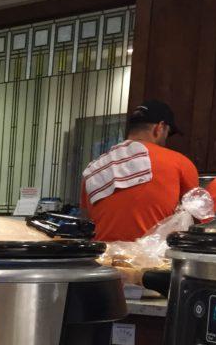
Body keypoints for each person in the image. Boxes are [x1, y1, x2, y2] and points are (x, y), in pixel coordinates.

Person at [80, 100, 198, 241]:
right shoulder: (179, 162)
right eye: (168, 133)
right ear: (159, 128)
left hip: (100, 256)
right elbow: (198, 217)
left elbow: (86, 219)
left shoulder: (94, 168)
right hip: (152, 260)